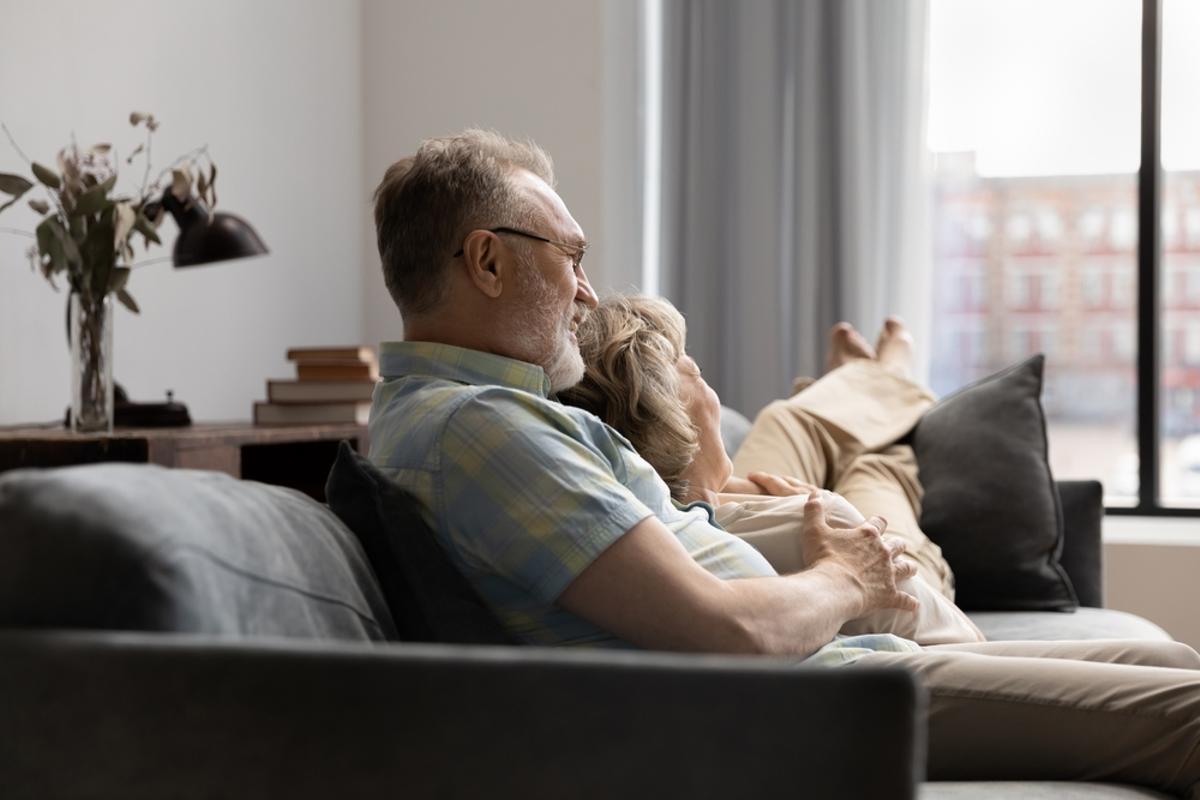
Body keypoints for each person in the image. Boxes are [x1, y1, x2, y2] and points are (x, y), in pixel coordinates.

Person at [368, 129, 1200, 797]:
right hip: (803, 706)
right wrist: (848, 580)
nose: (586, 292)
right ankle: (881, 381)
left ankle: (878, 382)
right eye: (571, 256)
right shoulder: (480, 430)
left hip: (831, 675)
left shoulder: (486, 419)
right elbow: (729, 632)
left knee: (1167, 661)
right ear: (487, 261)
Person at [557, 293, 984, 645]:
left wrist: (726, 490)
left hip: (713, 490)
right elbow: (966, 642)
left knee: (787, 420)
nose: (695, 368)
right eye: (688, 363)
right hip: (863, 560)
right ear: (673, 412)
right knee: (878, 465)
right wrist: (802, 504)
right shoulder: (809, 522)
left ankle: (871, 381)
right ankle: (883, 379)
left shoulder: (622, 488)